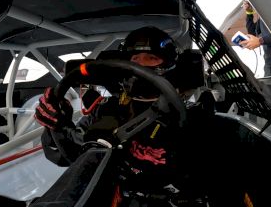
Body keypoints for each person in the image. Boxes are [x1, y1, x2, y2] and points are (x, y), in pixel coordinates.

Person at [33, 26, 244, 207]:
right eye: (134, 59)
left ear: (168, 65)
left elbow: (213, 176)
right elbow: (67, 158)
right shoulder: (107, 109)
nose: (139, 65)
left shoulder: (192, 117)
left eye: (151, 58)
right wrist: (57, 125)